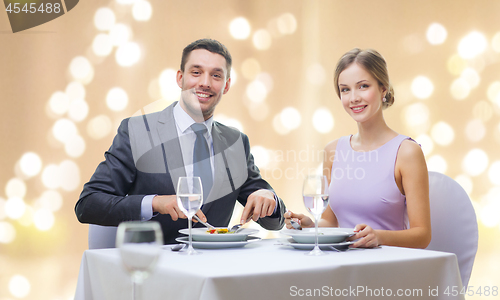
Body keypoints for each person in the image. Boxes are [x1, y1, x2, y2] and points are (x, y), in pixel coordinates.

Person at [76, 39, 286, 244]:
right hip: (152, 269)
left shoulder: (236, 142)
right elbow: (89, 204)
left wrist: (269, 199)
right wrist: (156, 203)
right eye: (196, 72)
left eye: (216, 75)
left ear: (226, 85)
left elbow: (273, 222)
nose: (205, 82)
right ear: (180, 78)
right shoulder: (137, 131)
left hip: (215, 270)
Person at [285, 48, 431, 249]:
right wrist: (310, 225)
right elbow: (331, 223)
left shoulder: (406, 152)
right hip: (343, 265)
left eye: (363, 86)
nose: (353, 98)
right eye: (345, 89)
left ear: (383, 89)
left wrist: (378, 236)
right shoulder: (333, 151)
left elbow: (422, 235)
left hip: (389, 266)